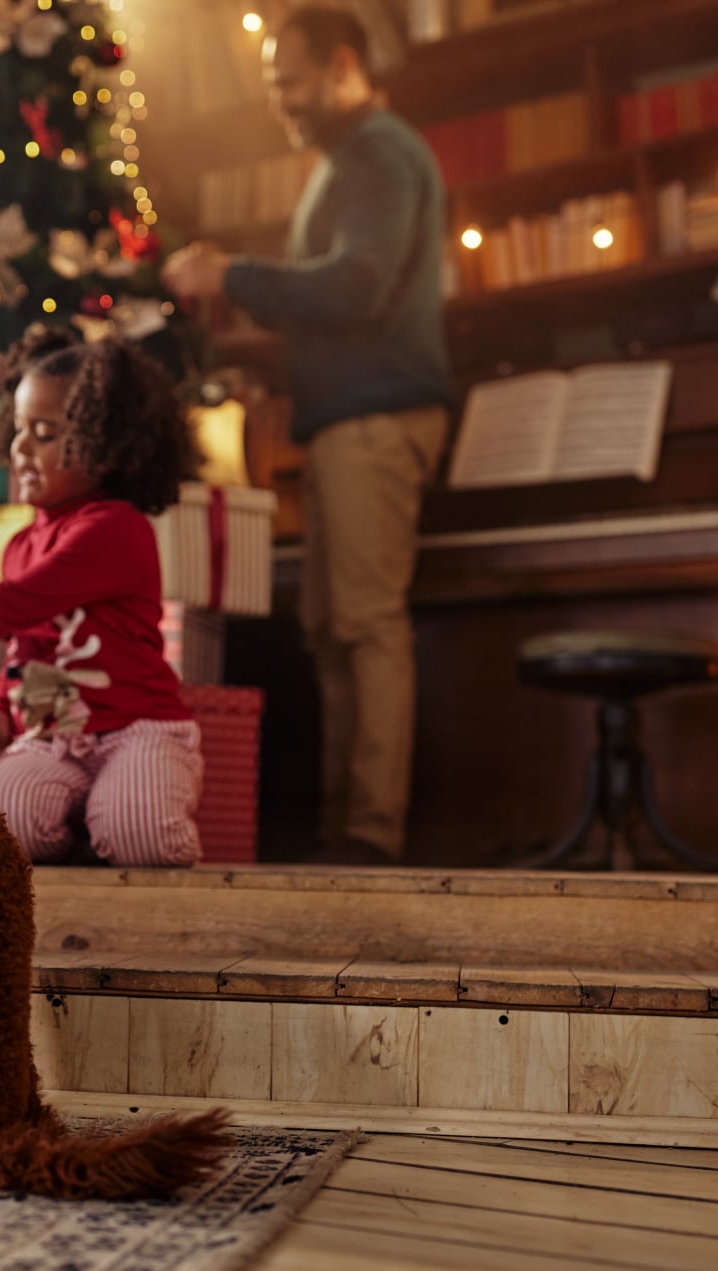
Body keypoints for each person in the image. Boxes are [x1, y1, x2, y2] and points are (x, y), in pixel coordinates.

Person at [161, 7, 452, 867]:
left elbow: (355, 287)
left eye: (288, 80)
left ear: (342, 65)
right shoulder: (348, 162)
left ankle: (370, 835)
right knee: (331, 629)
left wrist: (231, 275)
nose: (279, 98)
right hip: (341, 423)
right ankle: (344, 833)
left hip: (374, 419)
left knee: (363, 626)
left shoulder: (379, 153)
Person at [0, 326, 204, 867]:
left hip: (135, 730)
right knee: (5, 822)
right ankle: (89, 828)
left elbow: (6, 607)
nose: (20, 447)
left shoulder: (114, 527)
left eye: (44, 434)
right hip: (52, 737)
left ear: (106, 447)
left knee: (142, 836)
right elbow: (26, 652)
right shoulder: (21, 543)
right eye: (20, 429)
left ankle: (119, 822)